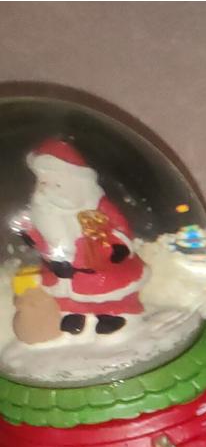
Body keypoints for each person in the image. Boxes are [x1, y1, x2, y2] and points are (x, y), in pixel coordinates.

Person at [11, 139, 146, 337]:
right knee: (66, 296)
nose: (46, 190)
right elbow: (42, 235)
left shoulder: (96, 206)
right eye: (43, 183)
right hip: (60, 270)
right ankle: (75, 314)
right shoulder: (43, 212)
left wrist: (116, 247)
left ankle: (111, 314)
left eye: (57, 184)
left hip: (99, 268)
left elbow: (119, 226)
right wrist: (30, 235)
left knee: (109, 291)